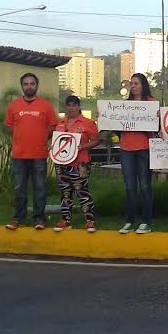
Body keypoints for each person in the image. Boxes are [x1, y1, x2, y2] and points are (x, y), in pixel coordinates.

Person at [3, 72, 57, 230]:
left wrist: (41, 136)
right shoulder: (14, 106)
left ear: (37, 85)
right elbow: (7, 126)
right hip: (19, 155)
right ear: (22, 86)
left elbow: (53, 126)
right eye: (26, 84)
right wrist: (20, 135)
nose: (29, 86)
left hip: (39, 155)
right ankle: (19, 219)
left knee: (40, 189)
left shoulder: (45, 106)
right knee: (19, 189)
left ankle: (39, 219)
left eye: (32, 83)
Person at [52, 95, 101, 233]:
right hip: (62, 163)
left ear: (79, 107)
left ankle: (90, 221)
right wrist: (53, 148)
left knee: (82, 191)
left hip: (80, 163)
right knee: (65, 192)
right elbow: (57, 141)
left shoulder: (88, 123)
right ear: (65, 107)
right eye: (69, 105)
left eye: (74, 105)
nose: (71, 108)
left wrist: (83, 147)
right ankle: (65, 221)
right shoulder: (60, 123)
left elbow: (96, 140)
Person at [118, 73, 155, 235]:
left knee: (145, 186)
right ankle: (129, 221)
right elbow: (116, 125)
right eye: (131, 84)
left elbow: (157, 127)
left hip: (145, 149)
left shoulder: (152, 103)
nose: (133, 86)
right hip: (126, 149)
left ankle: (146, 222)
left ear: (143, 85)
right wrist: (105, 118)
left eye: (136, 83)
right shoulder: (124, 105)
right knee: (130, 187)